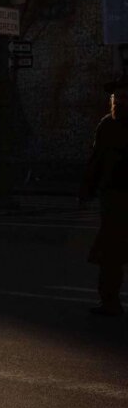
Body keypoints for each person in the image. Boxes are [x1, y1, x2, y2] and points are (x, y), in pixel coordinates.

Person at [79, 79, 128, 318]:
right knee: (110, 253)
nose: (118, 102)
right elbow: (97, 159)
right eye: (116, 98)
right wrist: (87, 188)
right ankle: (109, 301)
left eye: (124, 98)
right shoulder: (107, 125)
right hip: (113, 196)